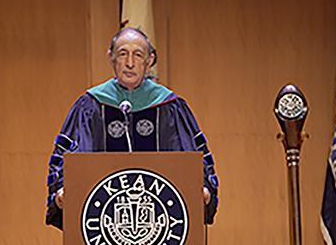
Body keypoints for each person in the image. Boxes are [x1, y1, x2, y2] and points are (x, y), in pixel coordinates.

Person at [45, 27, 219, 229]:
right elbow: (68, 156)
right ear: (111, 58)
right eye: (122, 54)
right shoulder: (90, 106)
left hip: (161, 223)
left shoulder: (170, 107)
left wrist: (204, 188)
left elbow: (193, 156)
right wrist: (62, 190)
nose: (129, 63)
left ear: (150, 60)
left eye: (138, 55)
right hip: (103, 223)